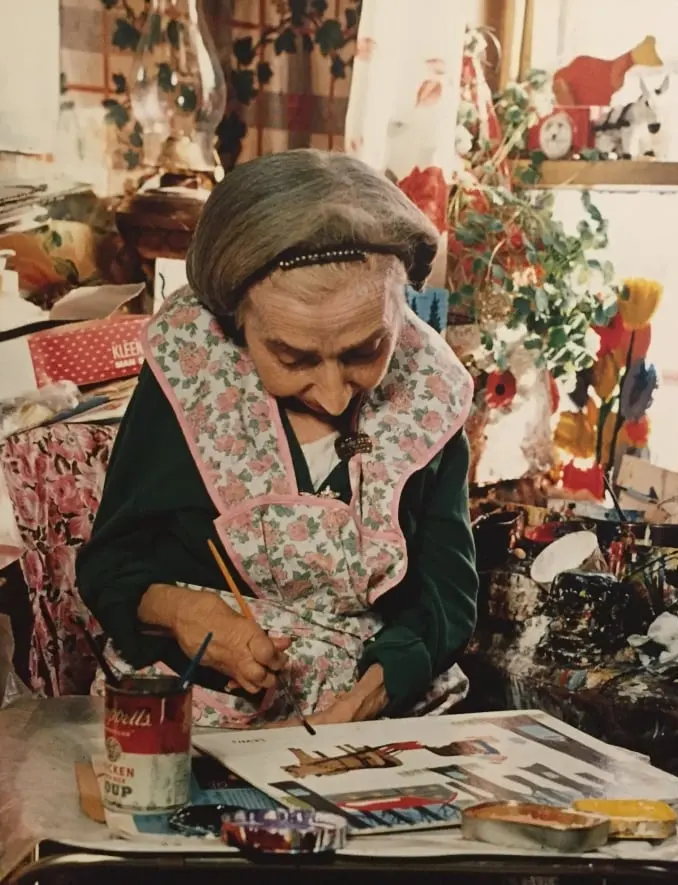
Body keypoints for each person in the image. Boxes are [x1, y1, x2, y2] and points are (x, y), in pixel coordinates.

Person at [77, 149, 478, 728]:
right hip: (199, 703)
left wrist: (366, 699)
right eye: (293, 357)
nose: (337, 395)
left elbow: (445, 598)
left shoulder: (428, 388)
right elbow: (112, 565)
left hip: (367, 708)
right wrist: (189, 616)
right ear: (236, 325)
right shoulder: (192, 367)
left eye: (366, 350)